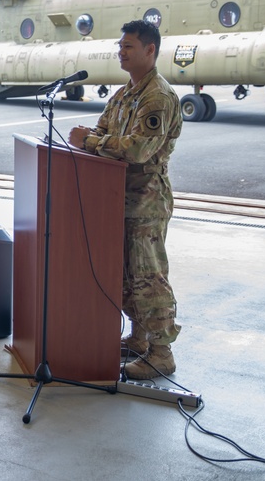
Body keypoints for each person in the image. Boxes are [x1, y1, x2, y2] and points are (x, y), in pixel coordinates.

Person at [67, 19, 182, 380]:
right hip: (115, 199)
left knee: (148, 277)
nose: (121, 51)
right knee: (126, 277)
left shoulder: (157, 97)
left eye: (128, 46)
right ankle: (139, 338)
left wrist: (90, 142)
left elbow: (137, 150)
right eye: (120, 46)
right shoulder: (125, 93)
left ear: (150, 50)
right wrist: (94, 137)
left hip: (146, 203)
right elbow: (103, 128)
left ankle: (161, 353)